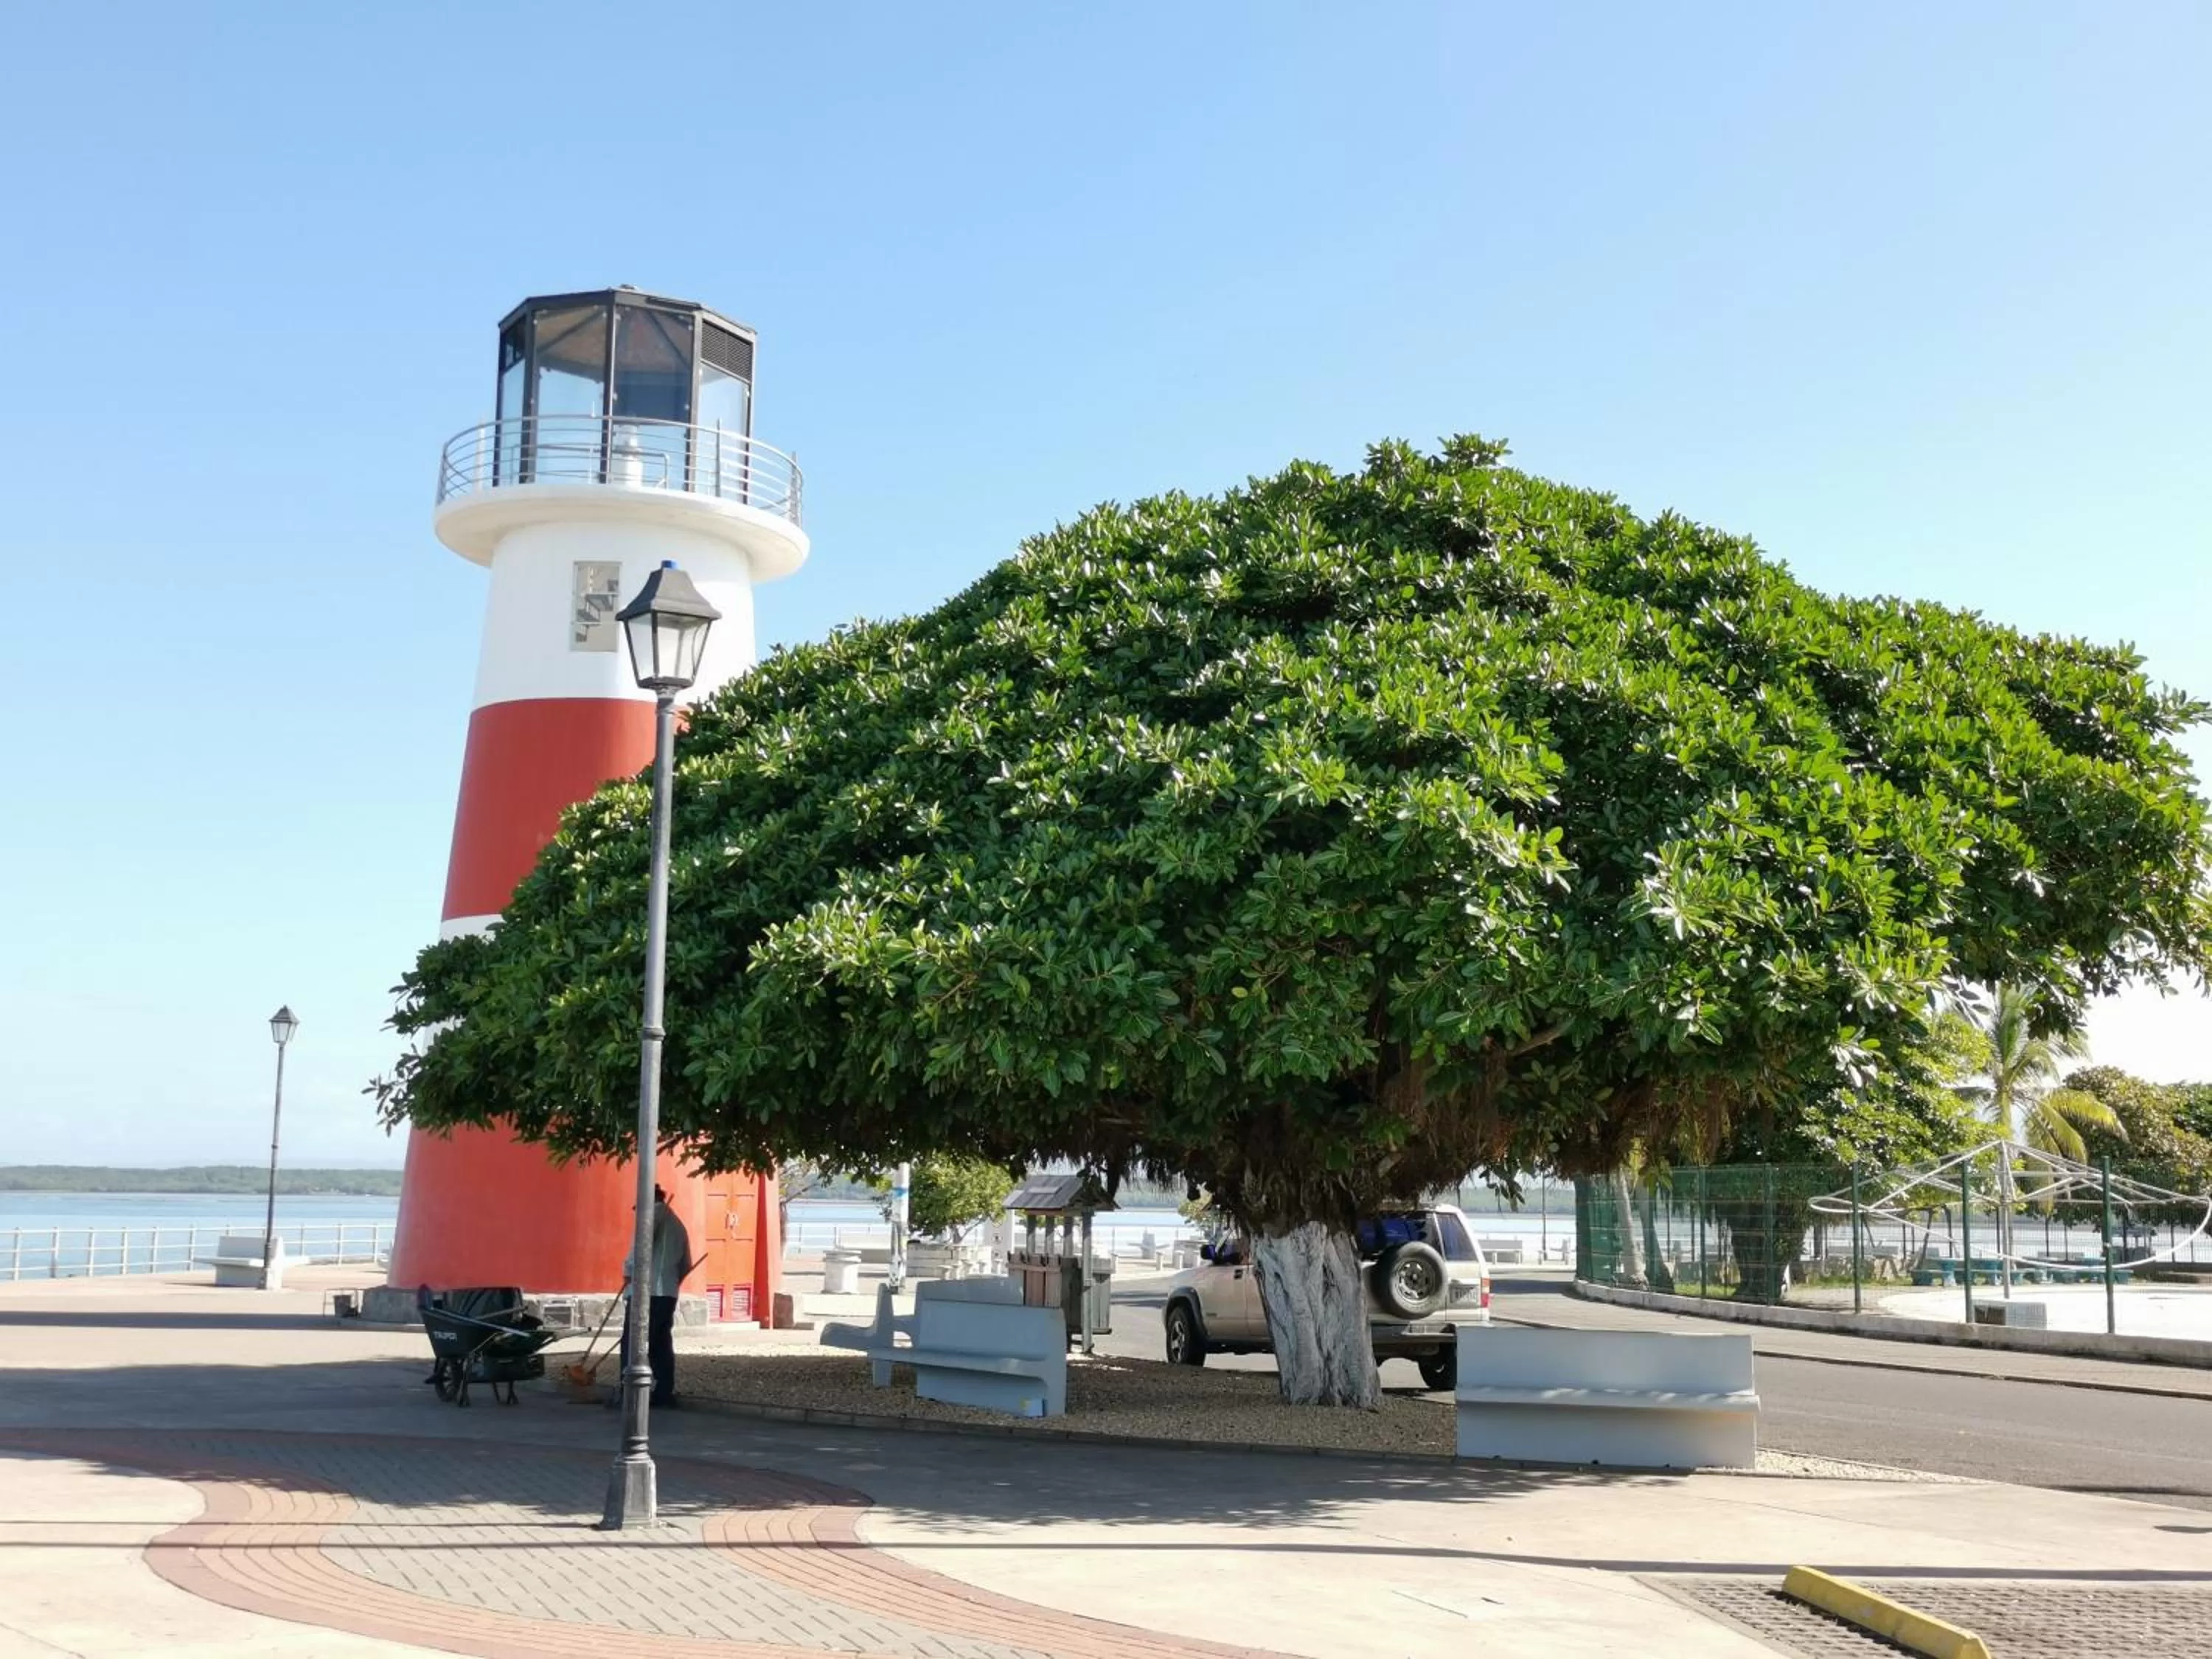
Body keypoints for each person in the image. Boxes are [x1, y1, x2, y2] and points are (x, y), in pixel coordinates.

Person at [614, 1185, 694, 1408]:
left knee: (633, 1343)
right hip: (667, 1292)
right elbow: (686, 1264)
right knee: (661, 1343)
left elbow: (641, 1245)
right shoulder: (678, 1225)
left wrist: (629, 1271)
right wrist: (671, 1282)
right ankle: (664, 1392)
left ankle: (629, 1392)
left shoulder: (653, 1215)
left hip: (646, 1292)